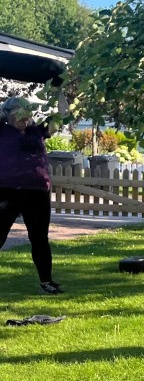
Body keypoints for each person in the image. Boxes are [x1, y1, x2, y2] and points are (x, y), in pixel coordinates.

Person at [0, 96, 67, 294]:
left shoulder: (36, 131)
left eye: (27, 114)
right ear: (7, 114)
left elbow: (62, 116)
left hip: (37, 193)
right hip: (7, 191)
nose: (25, 119)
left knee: (40, 239)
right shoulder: (2, 130)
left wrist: (59, 90)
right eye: (19, 114)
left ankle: (47, 282)